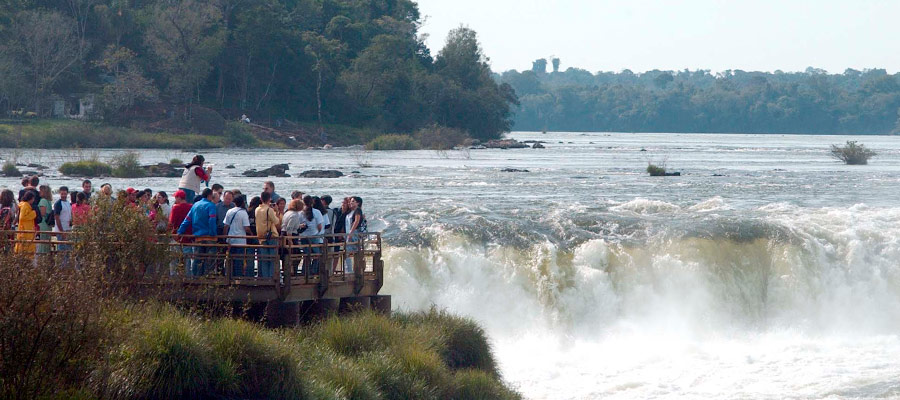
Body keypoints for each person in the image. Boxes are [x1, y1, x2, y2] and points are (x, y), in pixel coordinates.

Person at [177, 188, 218, 276]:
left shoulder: (195, 205)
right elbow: (212, 220)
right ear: (209, 196)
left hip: (198, 237)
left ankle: (196, 278)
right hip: (209, 237)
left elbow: (187, 220)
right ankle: (208, 278)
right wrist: (213, 233)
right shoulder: (211, 205)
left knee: (198, 259)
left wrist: (180, 231)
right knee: (210, 260)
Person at [223, 195, 251, 277]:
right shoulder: (243, 213)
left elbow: (226, 226)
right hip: (240, 241)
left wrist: (225, 237)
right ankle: (238, 278)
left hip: (231, 240)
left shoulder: (229, 211)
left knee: (230, 259)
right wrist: (252, 234)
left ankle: (229, 277)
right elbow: (246, 228)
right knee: (239, 260)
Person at [255, 191, 279, 278]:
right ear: (269, 199)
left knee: (264, 259)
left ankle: (265, 278)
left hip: (261, 236)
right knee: (272, 259)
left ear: (261, 199)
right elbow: (276, 221)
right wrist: (276, 211)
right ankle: (271, 278)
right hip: (271, 236)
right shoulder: (269, 210)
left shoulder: (257, 209)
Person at [169, 190, 193, 271]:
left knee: (174, 260)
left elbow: (171, 222)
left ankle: (174, 277)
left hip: (176, 236)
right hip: (188, 237)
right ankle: (188, 277)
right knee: (187, 261)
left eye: (176, 197)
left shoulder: (175, 207)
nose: (175, 199)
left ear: (179, 198)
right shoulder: (191, 206)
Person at [344, 196, 366, 274]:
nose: (351, 202)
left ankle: (352, 271)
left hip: (354, 233)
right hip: (350, 234)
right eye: (351, 201)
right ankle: (351, 270)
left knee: (351, 252)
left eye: (353, 201)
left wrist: (351, 232)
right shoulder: (351, 211)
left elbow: (356, 221)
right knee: (350, 252)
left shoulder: (357, 210)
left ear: (358, 203)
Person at [53, 186, 73, 259]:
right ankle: (61, 267)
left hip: (68, 229)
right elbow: (57, 218)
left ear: (67, 193)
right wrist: (61, 231)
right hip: (61, 229)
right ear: (59, 193)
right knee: (61, 249)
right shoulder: (58, 204)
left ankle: (67, 266)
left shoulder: (68, 203)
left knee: (68, 249)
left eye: (65, 193)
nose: (64, 195)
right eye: (62, 194)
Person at [15, 191, 37, 255]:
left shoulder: (25, 205)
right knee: (25, 246)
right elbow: (22, 217)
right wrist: (33, 214)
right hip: (25, 229)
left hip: (27, 228)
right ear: (31, 198)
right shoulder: (25, 206)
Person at [36, 185, 53, 254]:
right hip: (47, 224)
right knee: (46, 241)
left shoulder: (43, 201)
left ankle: (42, 256)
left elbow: (43, 213)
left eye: (41, 190)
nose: (39, 192)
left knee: (42, 242)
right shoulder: (49, 201)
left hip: (43, 223)